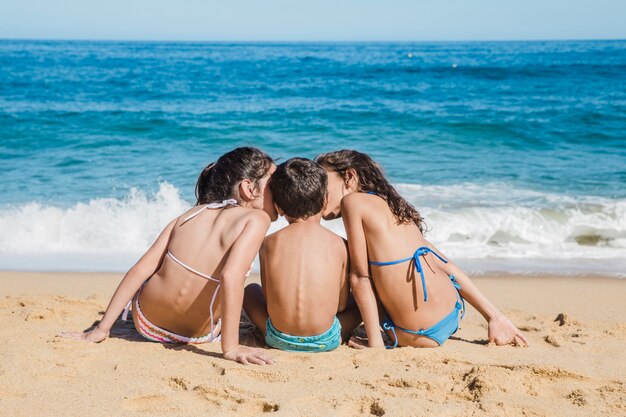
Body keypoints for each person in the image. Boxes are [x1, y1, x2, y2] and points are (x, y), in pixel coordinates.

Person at [59, 147, 278, 365]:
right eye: (273, 182)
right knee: (240, 293)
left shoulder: (190, 214)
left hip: (146, 323)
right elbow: (230, 277)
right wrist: (231, 348)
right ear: (249, 188)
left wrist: (101, 328)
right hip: (195, 335)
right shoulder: (257, 219)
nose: (280, 189)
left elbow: (141, 269)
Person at [315, 150, 529, 348]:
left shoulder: (352, 201)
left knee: (353, 271)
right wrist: (495, 317)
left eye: (324, 183)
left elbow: (360, 279)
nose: (319, 193)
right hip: (452, 314)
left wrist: (376, 344)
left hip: (412, 335)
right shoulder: (392, 208)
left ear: (349, 177)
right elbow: (448, 267)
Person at [243, 158, 361, 352]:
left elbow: (269, 297)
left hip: (277, 337)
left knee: (250, 291)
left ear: (279, 207)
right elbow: (339, 306)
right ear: (326, 200)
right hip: (327, 339)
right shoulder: (340, 244)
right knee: (360, 301)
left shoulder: (268, 243)